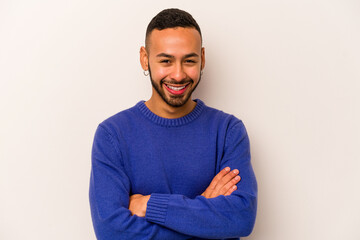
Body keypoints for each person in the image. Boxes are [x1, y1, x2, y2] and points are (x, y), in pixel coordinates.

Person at [89, 8, 257, 240]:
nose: (178, 75)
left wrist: (150, 205)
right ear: (144, 58)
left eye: (189, 60)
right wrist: (204, 209)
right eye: (166, 61)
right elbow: (111, 232)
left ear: (203, 59)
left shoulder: (228, 131)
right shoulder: (112, 135)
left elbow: (241, 218)